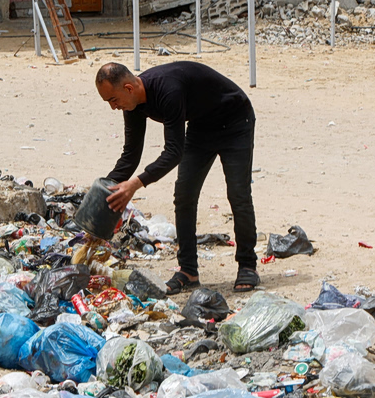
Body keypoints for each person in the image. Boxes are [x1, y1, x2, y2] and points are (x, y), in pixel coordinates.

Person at [96, 61, 260, 294]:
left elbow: (173, 152)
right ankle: (188, 270)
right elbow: (130, 155)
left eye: (113, 100)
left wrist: (135, 184)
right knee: (184, 195)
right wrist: (105, 189)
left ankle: (247, 265)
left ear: (128, 89)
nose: (113, 107)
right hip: (201, 126)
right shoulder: (131, 105)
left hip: (235, 121)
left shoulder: (167, 90)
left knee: (238, 193)